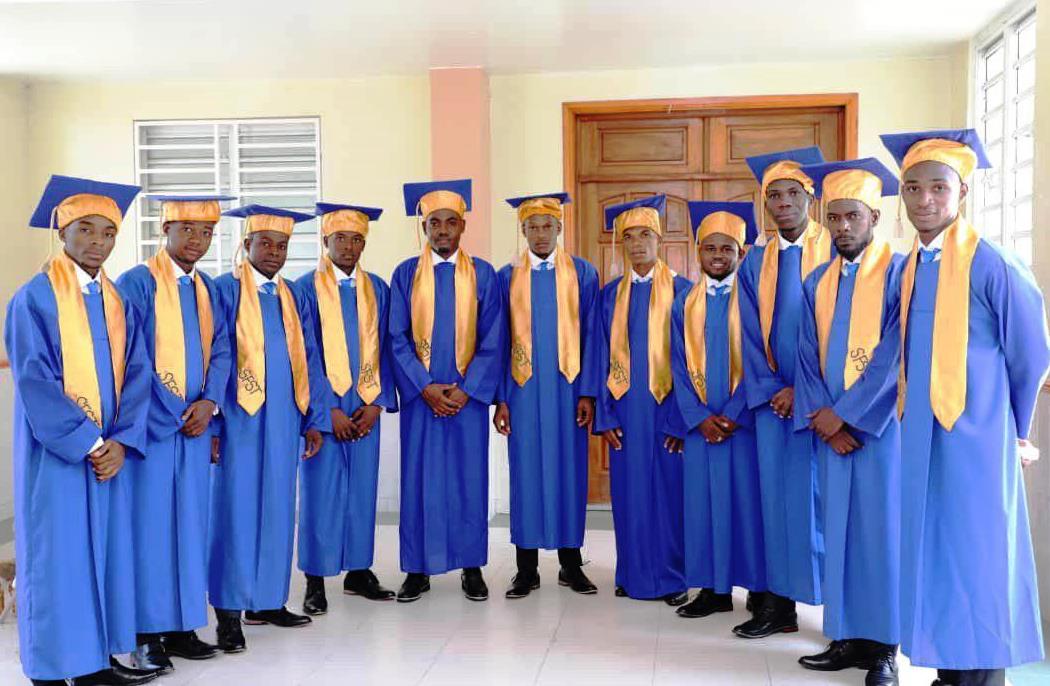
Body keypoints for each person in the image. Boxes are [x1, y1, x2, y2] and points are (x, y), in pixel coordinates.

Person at [881, 128, 1049, 686]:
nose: (924, 199)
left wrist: (1012, 429)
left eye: (938, 187)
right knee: (935, 554)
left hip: (976, 438)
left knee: (977, 557)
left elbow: (1031, 353)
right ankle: (948, 672)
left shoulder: (992, 262)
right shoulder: (910, 265)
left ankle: (980, 679)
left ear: (963, 193)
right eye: (912, 188)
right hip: (921, 438)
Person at [7, 175, 157, 686]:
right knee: (58, 557)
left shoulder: (118, 301)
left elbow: (139, 373)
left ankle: (94, 663)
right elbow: (34, 380)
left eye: (108, 232)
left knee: (107, 555)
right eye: (86, 229)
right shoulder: (34, 298)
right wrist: (91, 442)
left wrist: (122, 440)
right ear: (62, 232)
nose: (98, 242)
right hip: (59, 454)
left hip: (110, 453)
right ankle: (51, 668)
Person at [794, 158, 904, 686]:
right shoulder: (817, 280)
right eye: (833, 217)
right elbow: (805, 355)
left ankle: (884, 648)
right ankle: (843, 635)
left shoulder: (900, 274)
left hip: (877, 432)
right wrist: (825, 419)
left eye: (852, 216)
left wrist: (849, 418)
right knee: (837, 531)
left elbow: (894, 354)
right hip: (831, 433)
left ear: (873, 217)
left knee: (880, 535)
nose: (842, 226)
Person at [116, 196, 234, 672]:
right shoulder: (137, 283)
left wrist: (209, 404)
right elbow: (133, 355)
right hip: (151, 428)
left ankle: (182, 626)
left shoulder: (207, 288)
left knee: (189, 526)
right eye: (187, 230)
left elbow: (222, 349)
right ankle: (145, 633)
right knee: (150, 530)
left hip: (195, 427)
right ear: (165, 230)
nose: (197, 240)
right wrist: (175, 410)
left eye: (206, 232)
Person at [208, 204, 329, 652]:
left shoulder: (293, 295)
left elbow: (310, 357)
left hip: (283, 417)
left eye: (282, 245)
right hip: (237, 419)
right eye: (266, 243)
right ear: (247, 244)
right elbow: (213, 354)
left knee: (278, 508)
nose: (275, 252)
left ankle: (268, 600)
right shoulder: (223, 290)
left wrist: (314, 419)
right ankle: (228, 612)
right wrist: (214, 422)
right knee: (235, 512)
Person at [389, 179, 504, 602]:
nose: (442, 230)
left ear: (462, 226)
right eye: (433, 222)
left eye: (450, 222)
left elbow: (494, 338)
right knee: (419, 481)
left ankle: (471, 567)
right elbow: (396, 337)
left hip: (466, 400)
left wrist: (468, 390)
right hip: (422, 399)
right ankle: (417, 569)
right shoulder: (406, 274)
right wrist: (424, 387)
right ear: (424, 227)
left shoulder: (483, 275)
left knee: (468, 480)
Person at [735, 146, 830, 639]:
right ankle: (778, 606)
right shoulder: (755, 262)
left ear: (811, 197)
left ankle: (843, 616)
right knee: (774, 502)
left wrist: (804, 391)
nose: (784, 202)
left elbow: (843, 332)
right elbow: (749, 335)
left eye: (793, 192)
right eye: (774, 195)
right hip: (772, 403)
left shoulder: (835, 250)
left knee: (825, 505)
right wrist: (776, 388)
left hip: (825, 405)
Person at [493, 192, 600, 599]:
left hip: (569, 391)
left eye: (547, 226)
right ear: (523, 231)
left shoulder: (582, 274)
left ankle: (571, 565)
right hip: (522, 391)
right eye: (532, 227)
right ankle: (527, 569)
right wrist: (501, 398)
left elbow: (593, 334)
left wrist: (588, 393)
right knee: (526, 474)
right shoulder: (506, 277)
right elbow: (498, 340)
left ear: (560, 228)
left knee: (569, 473)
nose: (540, 234)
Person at [296, 202, 398, 615]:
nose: (349, 246)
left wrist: (377, 404)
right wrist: (327, 412)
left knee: (361, 490)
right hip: (324, 411)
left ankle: (358, 571)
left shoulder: (378, 289)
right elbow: (304, 356)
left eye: (357, 239)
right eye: (341, 238)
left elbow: (389, 347)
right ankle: (315, 578)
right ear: (325, 240)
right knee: (320, 493)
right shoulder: (304, 289)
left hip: (365, 405)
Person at [592, 195, 692, 605]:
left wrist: (682, 419)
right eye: (629, 237)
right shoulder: (609, 296)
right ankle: (631, 574)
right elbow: (597, 355)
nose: (637, 244)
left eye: (645, 235)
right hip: (626, 411)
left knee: (670, 495)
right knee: (630, 494)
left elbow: (693, 362)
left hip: (669, 411)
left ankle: (673, 577)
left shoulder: (684, 292)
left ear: (660, 239)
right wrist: (605, 415)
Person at [670, 201, 766, 621]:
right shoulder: (683, 304)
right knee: (702, 506)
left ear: (741, 252)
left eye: (727, 248)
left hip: (743, 426)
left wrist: (734, 413)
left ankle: (758, 590)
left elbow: (761, 361)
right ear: (698, 252)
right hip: (702, 428)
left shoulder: (755, 301)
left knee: (748, 507)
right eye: (710, 248)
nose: (718, 256)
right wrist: (698, 418)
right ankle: (712, 590)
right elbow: (677, 367)